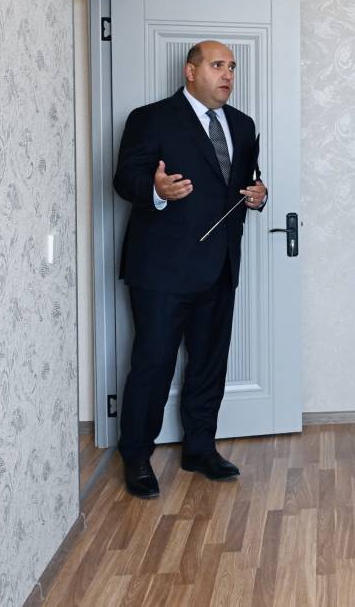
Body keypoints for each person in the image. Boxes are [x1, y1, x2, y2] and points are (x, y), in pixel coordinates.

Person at [113, 39, 268, 498]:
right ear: (190, 71)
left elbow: (244, 181)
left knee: (208, 365)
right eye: (218, 65)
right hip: (161, 270)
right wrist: (156, 189)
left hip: (220, 266)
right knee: (153, 364)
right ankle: (136, 456)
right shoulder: (150, 119)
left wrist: (259, 195)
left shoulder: (243, 125)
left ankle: (200, 448)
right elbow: (125, 178)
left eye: (232, 67)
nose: (228, 75)